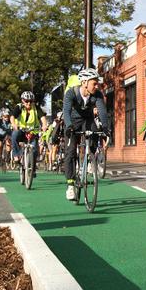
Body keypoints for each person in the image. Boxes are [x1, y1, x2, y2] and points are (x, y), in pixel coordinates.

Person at [62, 68, 109, 201]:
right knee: (70, 152)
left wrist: (105, 128)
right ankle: (70, 185)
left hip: (88, 119)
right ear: (84, 82)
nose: (96, 86)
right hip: (73, 120)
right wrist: (69, 126)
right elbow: (66, 111)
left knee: (95, 131)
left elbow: (102, 112)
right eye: (94, 83)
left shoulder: (97, 94)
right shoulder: (71, 93)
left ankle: (90, 159)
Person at [11, 91, 48, 176]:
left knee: (34, 149)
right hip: (21, 130)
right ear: (22, 101)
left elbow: (42, 117)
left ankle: (33, 169)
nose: (29, 103)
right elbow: (12, 116)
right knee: (14, 135)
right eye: (26, 101)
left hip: (33, 131)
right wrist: (14, 124)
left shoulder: (36, 108)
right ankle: (16, 155)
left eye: (31, 101)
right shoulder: (19, 107)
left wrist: (44, 125)